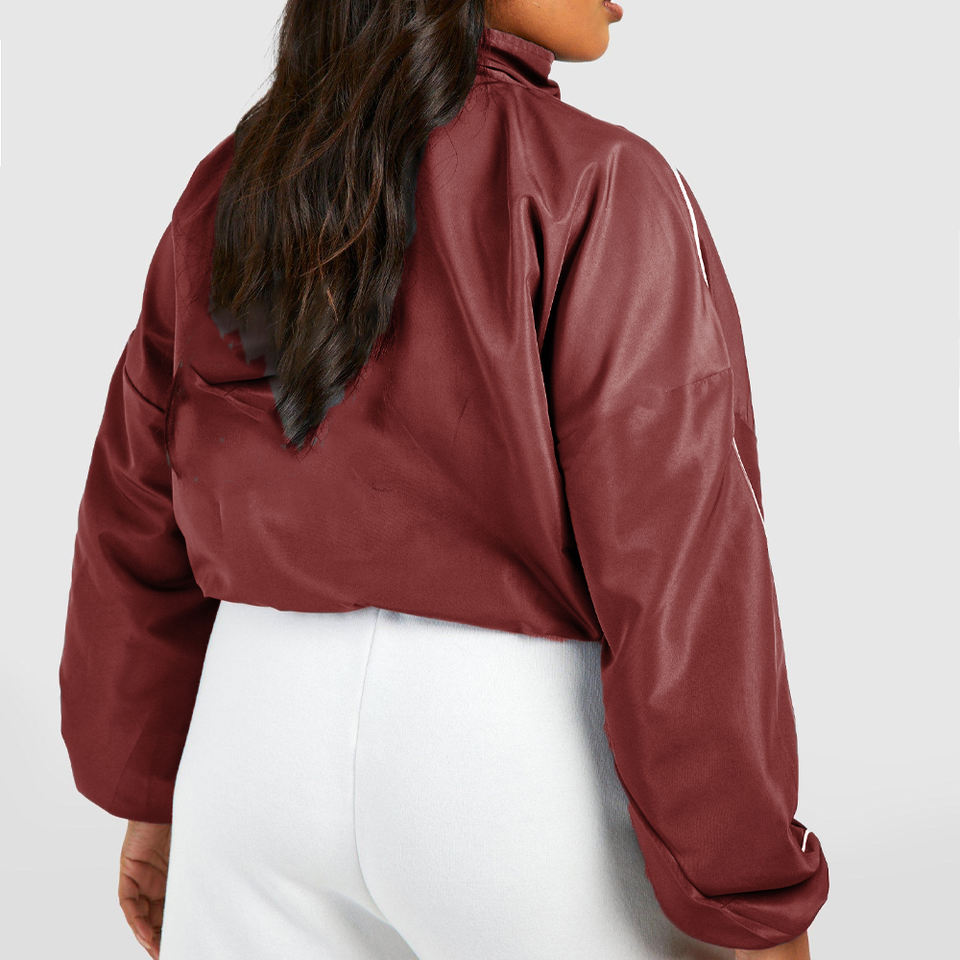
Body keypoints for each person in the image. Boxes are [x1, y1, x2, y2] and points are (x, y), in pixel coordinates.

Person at [59, 2, 830, 959]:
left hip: (249, 742)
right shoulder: (596, 180)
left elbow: (134, 505)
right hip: (510, 763)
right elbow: (678, 565)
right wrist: (749, 895)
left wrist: (151, 791)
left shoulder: (232, 181)